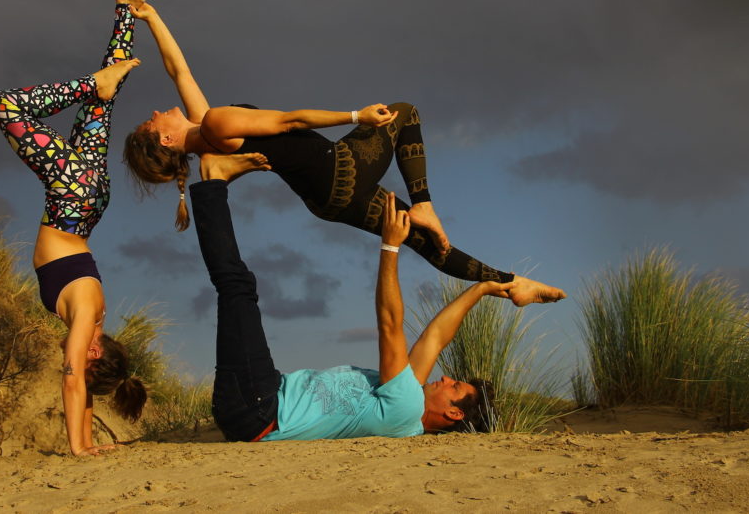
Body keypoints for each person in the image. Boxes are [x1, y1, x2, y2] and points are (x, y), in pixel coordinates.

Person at [123, 0, 552, 291]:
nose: (158, 110)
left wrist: (151, 17)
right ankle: (424, 202)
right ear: (163, 137)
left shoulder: (209, 143)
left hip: (326, 201)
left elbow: (178, 71)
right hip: (339, 168)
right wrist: (355, 117)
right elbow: (290, 120)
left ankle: (509, 285)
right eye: (152, 119)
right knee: (404, 112)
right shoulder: (216, 122)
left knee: (422, 241)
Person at [189, 154, 566, 441]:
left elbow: (390, 325)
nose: (446, 378)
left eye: (454, 388)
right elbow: (436, 337)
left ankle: (213, 181)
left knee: (238, 286)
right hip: (261, 399)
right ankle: (215, 180)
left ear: (453, 415)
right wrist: (482, 288)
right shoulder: (404, 399)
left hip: (259, 408)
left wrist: (389, 247)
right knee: (239, 287)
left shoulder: (405, 407)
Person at [0, 0, 148, 456]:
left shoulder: (95, 314)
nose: (75, 357)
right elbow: (73, 381)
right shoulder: (85, 318)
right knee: (8, 106)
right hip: (73, 199)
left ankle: (126, 8)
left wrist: (85, 441)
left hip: (88, 203)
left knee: (103, 105)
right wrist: (77, 448)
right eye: (84, 358)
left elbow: (82, 388)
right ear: (96, 351)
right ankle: (92, 80)